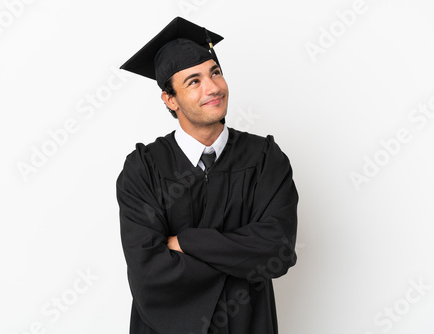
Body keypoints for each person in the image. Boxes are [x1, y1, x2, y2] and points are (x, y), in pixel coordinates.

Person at [117, 17, 299, 334]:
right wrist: (240, 258)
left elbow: (277, 250)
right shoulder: (144, 169)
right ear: (170, 99)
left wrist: (185, 242)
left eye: (215, 72)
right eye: (194, 81)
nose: (213, 87)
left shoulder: (265, 159)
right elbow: (149, 275)